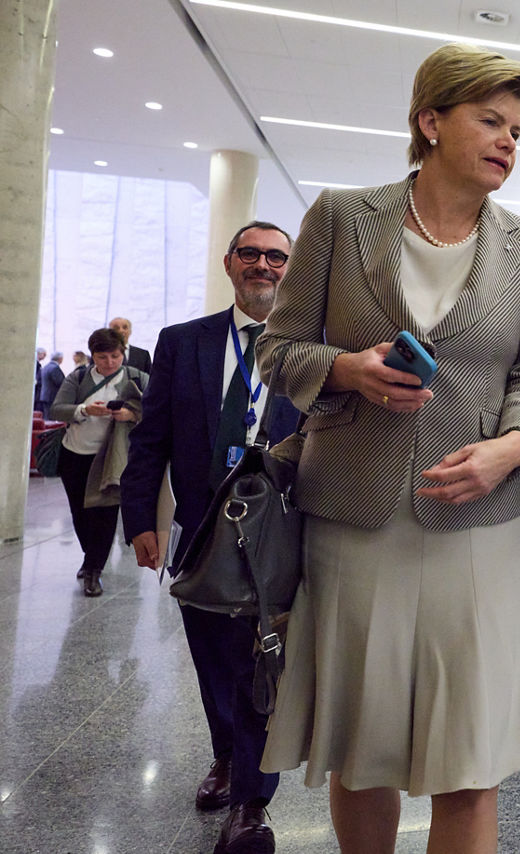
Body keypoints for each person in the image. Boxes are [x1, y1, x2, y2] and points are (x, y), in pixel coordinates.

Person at [255, 43, 520, 854]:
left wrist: (515, 445)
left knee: (472, 757)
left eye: (518, 129)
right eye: (490, 120)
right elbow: (277, 351)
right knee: (365, 747)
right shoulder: (343, 216)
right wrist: (346, 368)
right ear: (430, 121)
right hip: (355, 519)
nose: (508, 141)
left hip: (479, 522)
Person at [120, 221, 300, 854]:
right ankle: (226, 756)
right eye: (250, 254)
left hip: (280, 536)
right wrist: (140, 518)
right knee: (211, 660)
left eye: (277, 257)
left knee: (260, 666)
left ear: (291, 268)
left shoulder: (314, 347)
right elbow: (152, 438)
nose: (263, 266)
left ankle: (252, 802)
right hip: (200, 532)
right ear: (229, 263)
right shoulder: (184, 342)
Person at [49, 328, 147, 596]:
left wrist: (130, 414)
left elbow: (157, 408)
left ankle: (94, 571)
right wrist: (84, 410)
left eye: (115, 356)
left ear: (122, 353)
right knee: (80, 514)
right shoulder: (79, 377)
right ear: (92, 356)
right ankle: (89, 556)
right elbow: (57, 408)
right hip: (76, 455)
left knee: (104, 515)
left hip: (113, 460)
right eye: (102, 357)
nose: (109, 363)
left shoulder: (136, 378)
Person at [38, 351, 66, 416]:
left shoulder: (46, 367)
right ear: (60, 358)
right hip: (52, 396)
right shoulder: (55, 368)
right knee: (52, 417)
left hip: (45, 396)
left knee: (47, 416)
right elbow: (60, 382)